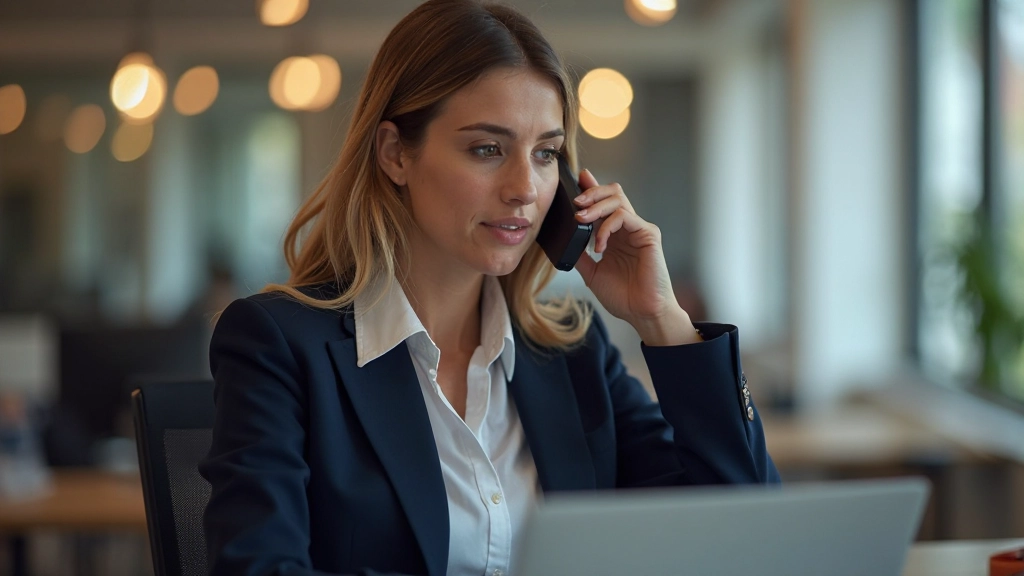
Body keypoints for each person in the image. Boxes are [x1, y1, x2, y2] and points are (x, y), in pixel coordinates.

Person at [200, 1, 781, 575]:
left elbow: (744, 535)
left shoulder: (571, 354)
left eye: (546, 153)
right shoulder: (277, 345)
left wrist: (663, 321)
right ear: (395, 154)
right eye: (487, 149)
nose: (525, 188)